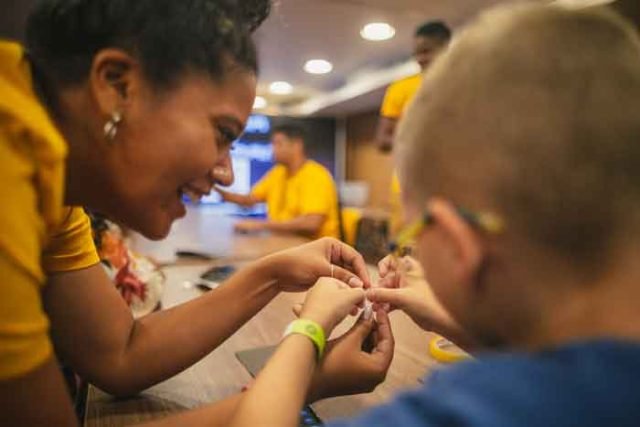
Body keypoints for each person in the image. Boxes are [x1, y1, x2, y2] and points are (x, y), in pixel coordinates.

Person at [162, 3, 640, 425]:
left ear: (460, 249)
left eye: (413, 235)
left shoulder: (465, 411)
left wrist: (307, 332)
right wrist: (454, 322)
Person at [0, 1, 393, 426]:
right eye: (222, 133)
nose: (226, 173)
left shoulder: (53, 186)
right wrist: (302, 364)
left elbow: (119, 354)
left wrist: (273, 273)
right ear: (116, 86)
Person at [376, 20, 452, 234]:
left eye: (426, 51)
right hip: (407, 189)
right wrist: (417, 140)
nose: (420, 58)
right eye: (417, 53)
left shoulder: (464, 86)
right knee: (404, 251)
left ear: (447, 48)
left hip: (451, 189)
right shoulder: (400, 88)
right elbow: (382, 141)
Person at [216, 124, 340, 239]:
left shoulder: (316, 175)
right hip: (286, 243)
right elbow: (249, 200)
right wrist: (216, 189)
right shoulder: (278, 172)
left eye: (278, 144)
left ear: (297, 145)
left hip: (316, 249)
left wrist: (260, 225)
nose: (273, 149)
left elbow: (311, 223)